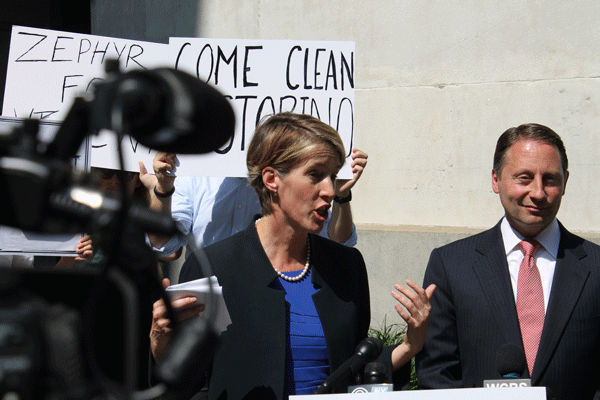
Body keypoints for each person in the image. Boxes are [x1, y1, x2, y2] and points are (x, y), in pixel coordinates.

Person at [150, 112, 435, 399]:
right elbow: (187, 383)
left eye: (333, 176)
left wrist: (409, 346)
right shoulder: (212, 266)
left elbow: (352, 374)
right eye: (315, 174)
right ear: (272, 179)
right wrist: (162, 345)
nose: (329, 191)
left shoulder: (347, 266)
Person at [416, 123, 600, 400]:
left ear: (565, 182)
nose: (538, 192)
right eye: (524, 178)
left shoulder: (595, 267)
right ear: (495, 179)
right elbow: (436, 373)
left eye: (550, 179)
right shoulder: (451, 265)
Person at [148, 147, 369, 260]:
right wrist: (164, 190)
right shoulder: (194, 176)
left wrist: (341, 195)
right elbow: (163, 245)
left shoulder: (286, 181)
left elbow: (339, 242)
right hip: (206, 307)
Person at [56, 152, 178, 268]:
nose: (114, 181)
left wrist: (160, 188)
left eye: (125, 175)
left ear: (138, 181)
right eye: (105, 172)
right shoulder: (73, 216)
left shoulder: (144, 217)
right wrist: (68, 261)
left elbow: (167, 249)